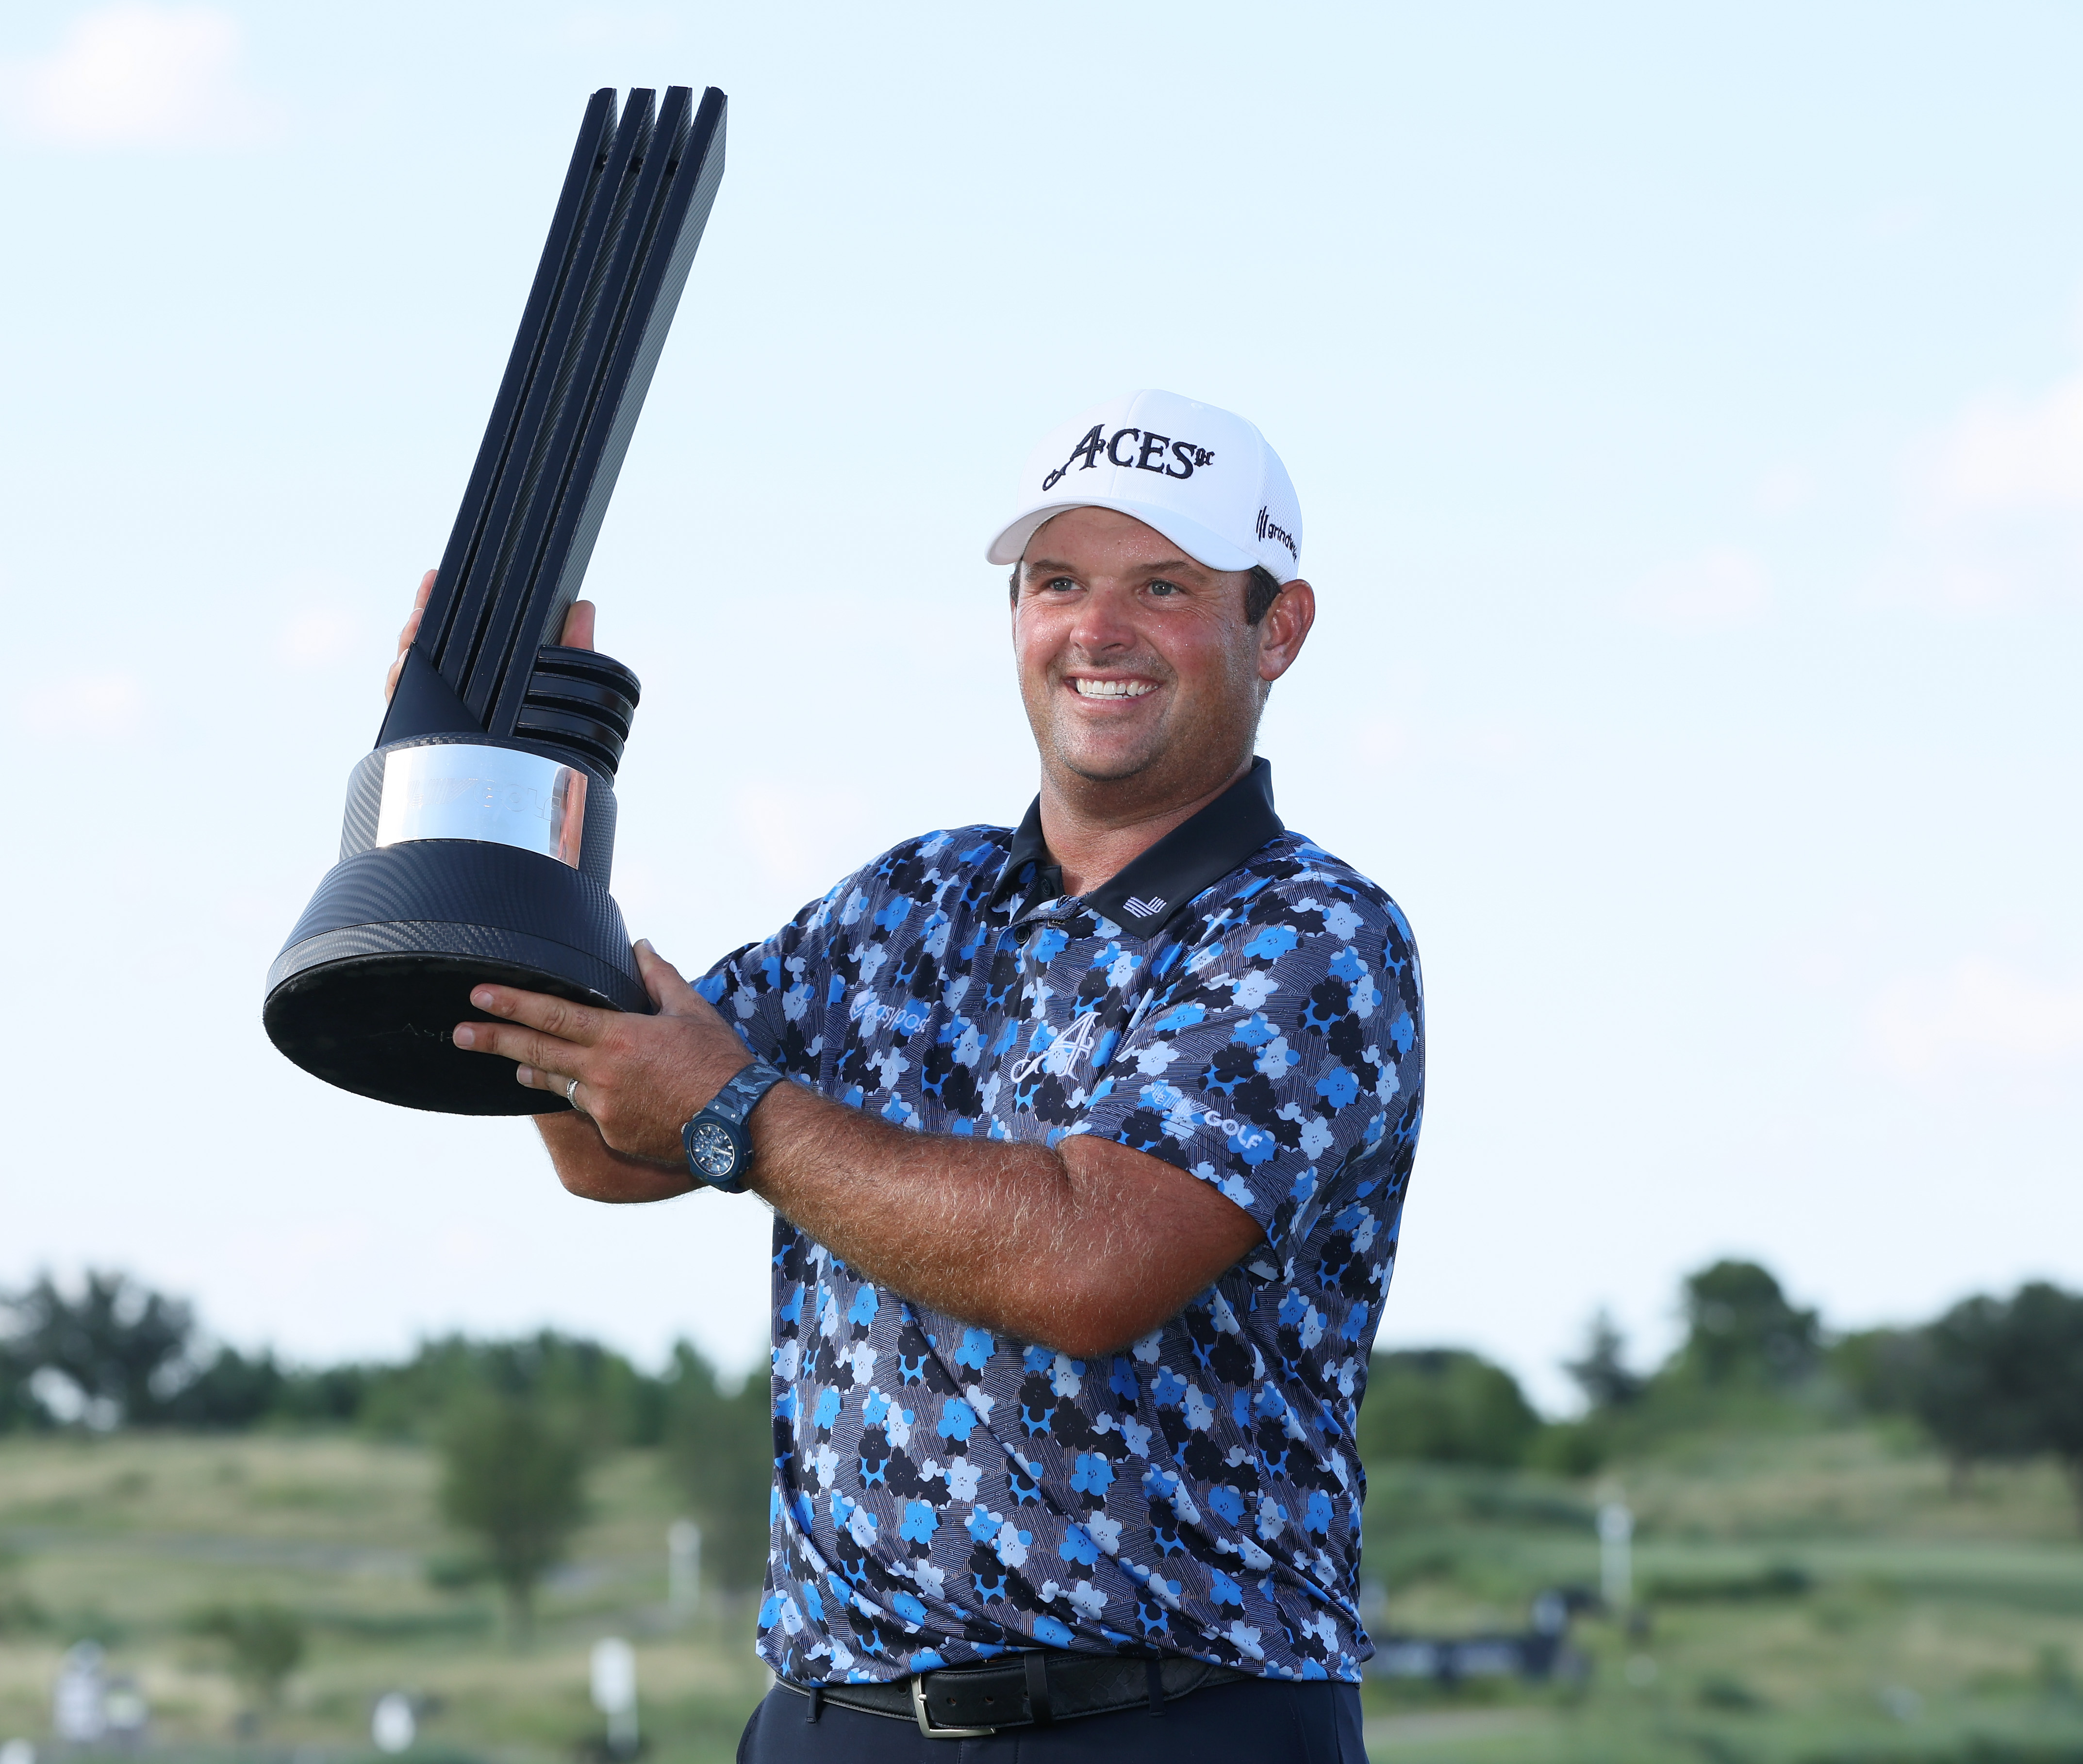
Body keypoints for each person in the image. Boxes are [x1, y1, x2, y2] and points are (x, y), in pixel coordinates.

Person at [391, 390, 1423, 1760]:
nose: (1096, 631)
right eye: (1057, 582)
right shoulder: (906, 901)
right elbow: (611, 1135)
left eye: (1162, 586)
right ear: (1015, 617)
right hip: (836, 1722)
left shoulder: (1308, 936)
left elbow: (1088, 1263)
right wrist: (502, 808)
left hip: (1169, 1723)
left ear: (1273, 628)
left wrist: (738, 1112)